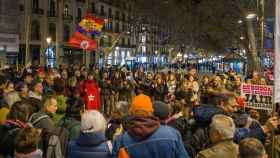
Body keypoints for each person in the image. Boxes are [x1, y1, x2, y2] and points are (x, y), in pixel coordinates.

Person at [112, 94, 190, 158]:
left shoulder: (121, 140)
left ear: (131, 113)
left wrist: (115, 140)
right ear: (151, 111)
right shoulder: (173, 134)